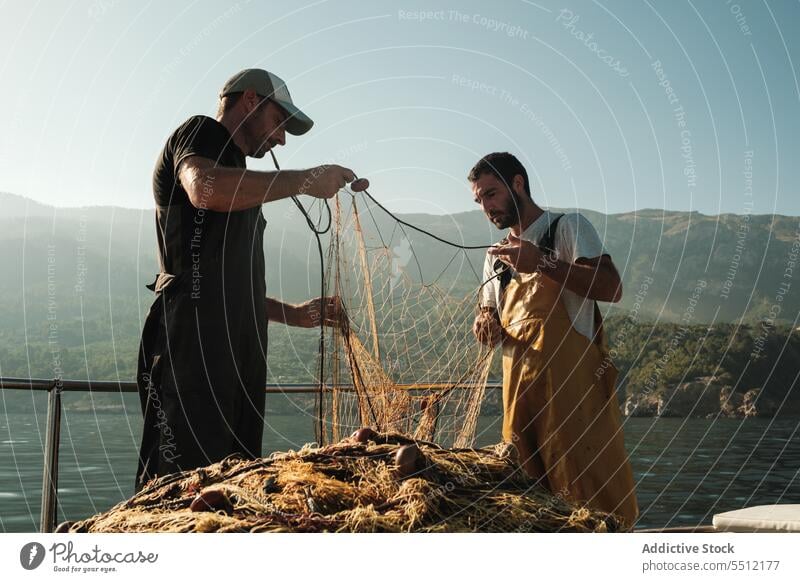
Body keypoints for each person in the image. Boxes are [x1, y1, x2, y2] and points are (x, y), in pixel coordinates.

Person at [135, 68, 365, 492]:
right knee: (181, 488)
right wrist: (305, 179)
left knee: (234, 484)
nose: (280, 139)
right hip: (193, 351)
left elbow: (232, 287)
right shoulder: (201, 134)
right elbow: (204, 189)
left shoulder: (244, 179)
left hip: (239, 355)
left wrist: (294, 314)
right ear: (250, 101)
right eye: (278, 123)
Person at [470, 152, 638, 528]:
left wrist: (542, 263)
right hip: (520, 408)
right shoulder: (494, 259)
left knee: (592, 505)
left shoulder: (567, 228)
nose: (487, 207)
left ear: (518, 184)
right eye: (480, 200)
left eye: (492, 194)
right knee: (529, 511)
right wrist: (485, 323)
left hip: (573, 403)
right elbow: (488, 318)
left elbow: (612, 288)